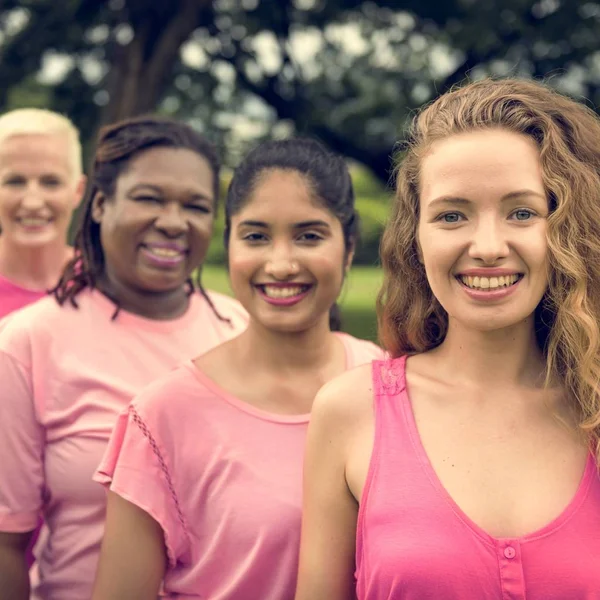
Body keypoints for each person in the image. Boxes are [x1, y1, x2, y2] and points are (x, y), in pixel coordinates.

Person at [294, 78, 600, 600]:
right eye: (452, 215)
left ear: (569, 227)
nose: (486, 246)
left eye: (522, 212)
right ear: (417, 236)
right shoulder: (350, 411)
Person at [90, 138, 385, 600]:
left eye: (309, 235)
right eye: (256, 236)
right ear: (227, 246)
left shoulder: (393, 384)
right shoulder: (163, 416)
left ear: (348, 249)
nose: (281, 263)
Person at [0, 115, 248, 600]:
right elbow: (6, 544)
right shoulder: (26, 343)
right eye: (149, 198)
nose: (173, 222)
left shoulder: (241, 331)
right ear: (98, 204)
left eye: (195, 205)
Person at [0, 108, 85, 319]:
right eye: (15, 181)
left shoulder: (107, 284)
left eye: (51, 182)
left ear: (78, 191)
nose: (33, 202)